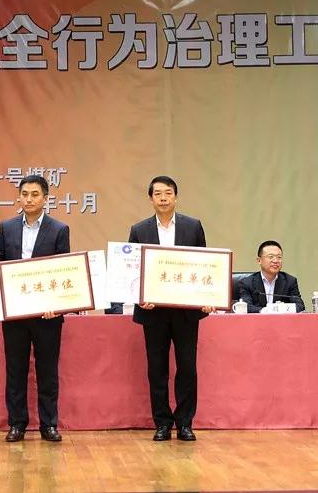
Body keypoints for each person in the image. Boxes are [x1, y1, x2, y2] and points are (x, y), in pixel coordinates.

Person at [128, 176, 212, 442]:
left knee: (187, 367)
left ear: (176, 197)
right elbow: (133, 270)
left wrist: (208, 296)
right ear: (151, 198)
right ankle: (162, 423)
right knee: (157, 369)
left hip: (186, 311)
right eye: (158, 194)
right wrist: (139, 296)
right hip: (153, 311)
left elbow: (204, 265)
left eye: (168, 193)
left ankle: (185, 423)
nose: (163, 198)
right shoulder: (139, 230)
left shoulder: (192, 226)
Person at [0, 174, 69, 443]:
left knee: (47, 372)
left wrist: (57, 305)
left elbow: (63, 271)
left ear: (45, 198)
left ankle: (49, 424)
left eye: (35, 194)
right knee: (15, 371)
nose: (29, 199)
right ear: (19, 197)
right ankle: (17, 424)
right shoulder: (7, 227)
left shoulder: (59, 229)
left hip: (48, 315)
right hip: (15, 314)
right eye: (24, 194)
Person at [237, 241, 305, 313]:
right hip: (258, 320)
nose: (275, 261)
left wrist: (278, 309)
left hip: (281, 320)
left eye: (279, 257)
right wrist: (264, 311)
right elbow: (245, 307)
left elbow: (300, 306)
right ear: (259, 260)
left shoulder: (290, 281)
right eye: (270, 257)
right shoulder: (247, 283)